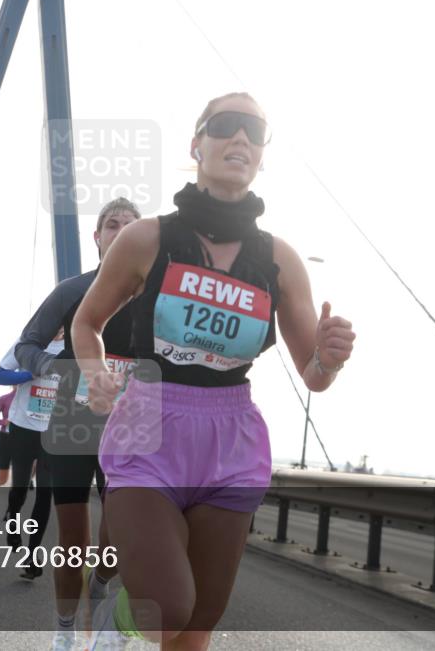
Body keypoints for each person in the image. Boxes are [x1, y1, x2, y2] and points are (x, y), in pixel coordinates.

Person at [72, 93, 356, 649]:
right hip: (148, 426)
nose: (242, 139)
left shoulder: (280, 260)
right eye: (226, 126)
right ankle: (114, 612)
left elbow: (314, 375)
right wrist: (95, 373)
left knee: (198, 623)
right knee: (168, 611)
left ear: (264, 153)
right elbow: (86, 323)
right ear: (196, 144)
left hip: (231, 441)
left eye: (255, 130)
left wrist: (330, 356)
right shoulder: (145, 239)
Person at [12, 197, 140, 650]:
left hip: (130, 427)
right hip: (72, 419)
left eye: (130, 224)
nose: (120, 230)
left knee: (123, 531)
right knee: (73, 539)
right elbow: (26, 344)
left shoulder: (158, 298)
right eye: (111, 224)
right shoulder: (71, 291)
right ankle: (64, 633)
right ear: (97, 237)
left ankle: (102, 582)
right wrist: (58, 369)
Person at [0, 332, 64, 579]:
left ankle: (32, 556)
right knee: (20, 490)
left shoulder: (74, 345)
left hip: (52, 431)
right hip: (23, 427)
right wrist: (29, 374)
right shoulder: (28, 344)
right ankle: (13, 522)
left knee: (45, 494)